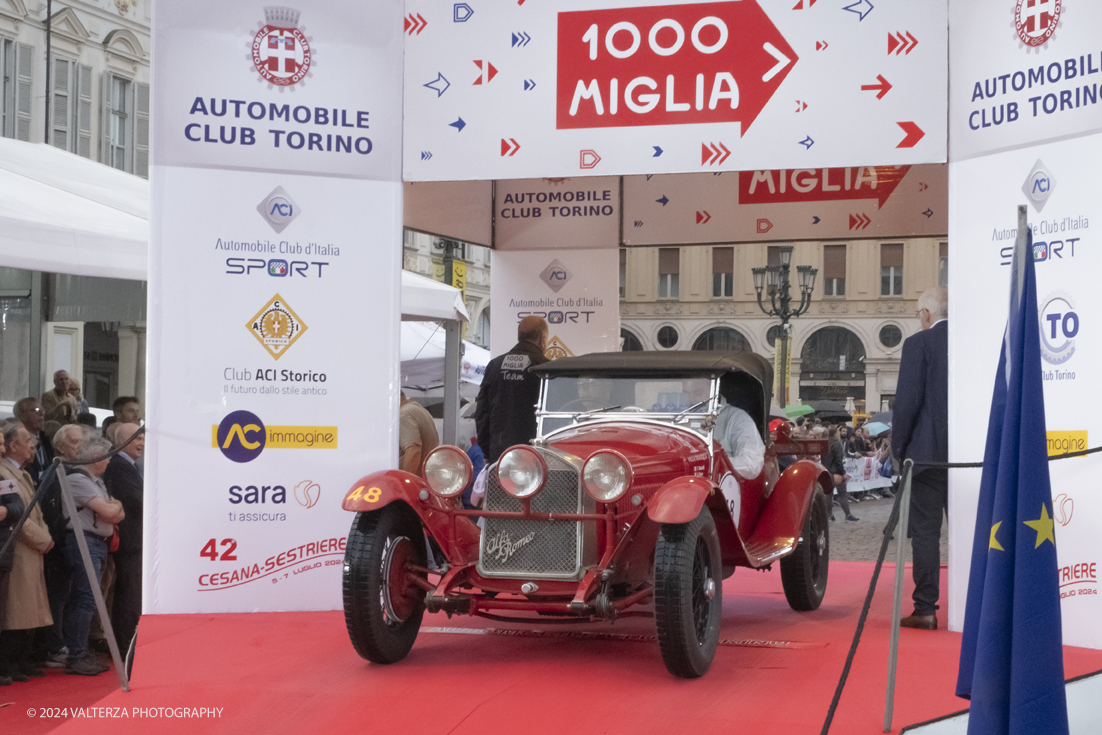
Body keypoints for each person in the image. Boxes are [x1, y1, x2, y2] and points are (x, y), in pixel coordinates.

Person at [893, 286, 949, 631]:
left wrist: (899, 450)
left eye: (918, 313)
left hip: (926, 457)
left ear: (926, 314)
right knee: (975, 531)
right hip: (969, 455)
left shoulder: (918, 344)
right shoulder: (969, 343)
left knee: (926, 534)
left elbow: (907, 404)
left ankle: (925, 609)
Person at [60, 436, 124, 676]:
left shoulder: (96, 481)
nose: (108, 460)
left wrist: (114, 510)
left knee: (89, 598)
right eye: (105, 456)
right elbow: (110, 510)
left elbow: (117, 512)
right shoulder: (78, 479)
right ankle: (77, 655)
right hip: (84, 541)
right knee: (85, 598)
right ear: (94, 457)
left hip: (96, 542)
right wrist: (114, 509)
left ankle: (81, 651)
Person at [0, 421, 53, 683]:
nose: (33, 445)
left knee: (29, 609)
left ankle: (21, 661)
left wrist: (44, 535)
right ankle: (8, 664)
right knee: (16, 610)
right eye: (26, 440)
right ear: (12, 446)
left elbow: (29, 510)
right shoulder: (3, 473)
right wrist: (42, 539)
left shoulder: (23, 472)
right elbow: (17, 517)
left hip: (33, 548)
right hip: (19, 547)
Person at [36, 424, 90, 668]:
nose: (80, 447)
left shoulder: (75, 469)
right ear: (59, 446)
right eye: (75, 442)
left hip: (70, 543)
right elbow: (47, 509)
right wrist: (56, 538)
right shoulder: (55, 470)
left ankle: (64, 643)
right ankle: (55, 647)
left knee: (69, 595)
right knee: (57, 597)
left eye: (81, 441)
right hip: (57, 544)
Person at [475, 316, 549, 466]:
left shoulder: (494, 366)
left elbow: (482, 414)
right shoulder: (547, 369)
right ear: (543, 339)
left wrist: (488, 452)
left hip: (500, 457)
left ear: (519, 336)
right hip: (537, 459)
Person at [102, 424, 144, 653]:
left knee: (130, 593)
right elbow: (137, 500)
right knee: (129, 594)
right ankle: (126, 643)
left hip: (134, 539)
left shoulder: (129, 465)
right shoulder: (119, 466)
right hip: (129, 540)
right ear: (123, 441)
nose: (142, 442)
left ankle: (127, 641)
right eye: (137, 438)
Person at [0, 428, 25, 687]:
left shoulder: (2, 478)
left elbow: (19, 505)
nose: (2, 449)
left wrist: (6, 510)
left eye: (2, 444)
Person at [713, 374, 765, 480]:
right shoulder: (676, 418)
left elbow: (751, 463)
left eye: (697, 392)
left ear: (714, 389)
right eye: (686, 393)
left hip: (724, 488)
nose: (690, 397)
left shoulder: (737, 418)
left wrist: (714, 463)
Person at [14, 398, 53, 487]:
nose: (41, 413)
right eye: (35, 410)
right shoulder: (17, 443)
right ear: (22, 416)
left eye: (42, 410)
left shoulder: (46, 440)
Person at [398, 393, 439, 474]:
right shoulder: (417, 409)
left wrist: (404, 481)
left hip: (414, 481)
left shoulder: (403, 414)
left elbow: (413, 450)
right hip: (425, 477)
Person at [825, 425, 858, 522]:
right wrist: (842, 473)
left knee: (828, 494)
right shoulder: (836, 444)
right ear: (836, 434)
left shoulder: (825, 444)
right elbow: (838, 460)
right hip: (836, 472)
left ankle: (829, 514)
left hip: (827, 472)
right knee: (843, 494)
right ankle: (848, 514)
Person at [462, 436, 485, 510]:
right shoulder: (478, 451)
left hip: (468, 497)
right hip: (470, 498)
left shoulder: (474, 450)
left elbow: (476, 475)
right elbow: (477, 475)